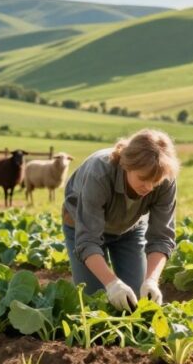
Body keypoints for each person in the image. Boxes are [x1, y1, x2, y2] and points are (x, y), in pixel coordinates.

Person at [62, 128, 178, 311]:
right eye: (143, 179)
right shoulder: (99, 172)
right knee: (96, 302)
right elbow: (87, 240)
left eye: (154, 182)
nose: (149, 187)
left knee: (136, 300)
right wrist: (112, 283)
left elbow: (162, 238)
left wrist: (152, 280)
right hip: (82, 224)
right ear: (126, 166)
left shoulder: (164, 179)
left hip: (129, 228)